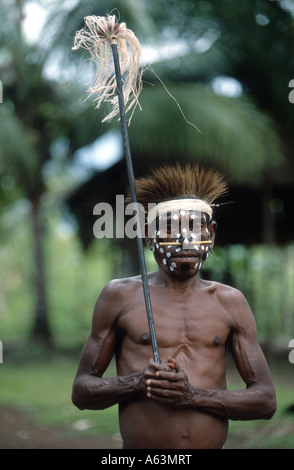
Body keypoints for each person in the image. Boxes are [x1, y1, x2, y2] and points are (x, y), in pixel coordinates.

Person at [72, 163, 276, 449]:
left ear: (212, 233)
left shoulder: (230, 302)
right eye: (170, 227)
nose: (184, 239)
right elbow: (82, 392)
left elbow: (265, 400)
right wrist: (138, 382)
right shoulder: (120, 296)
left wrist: (193, 396)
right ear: (148, 235)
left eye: (195, 227)